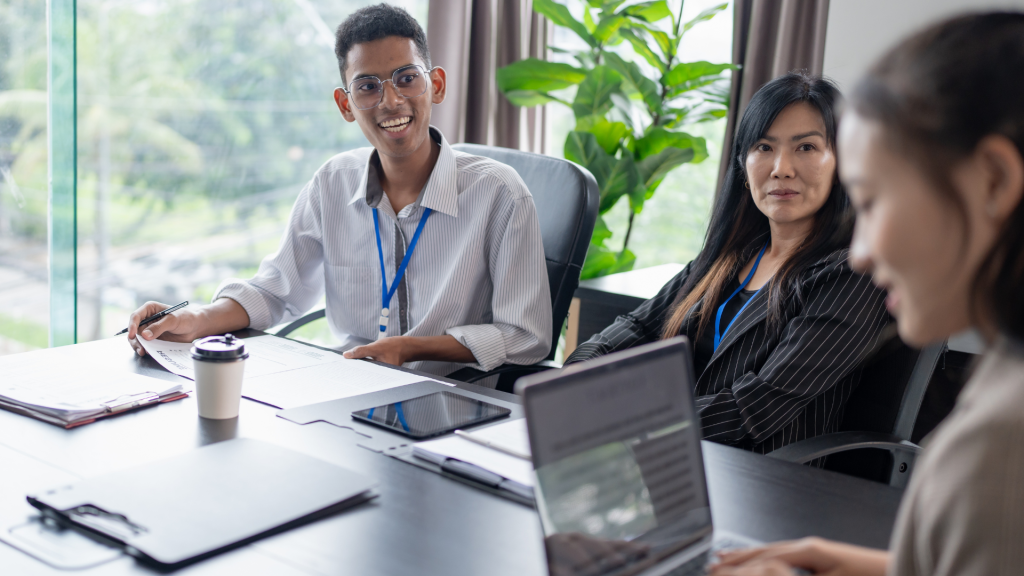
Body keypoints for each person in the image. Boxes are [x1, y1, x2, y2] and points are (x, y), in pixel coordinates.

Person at [712, 12, 1024, 576]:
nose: (860, 254)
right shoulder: (1004, 376)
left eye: (874, 201)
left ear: (994, 182)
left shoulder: (1003, 441)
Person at [124, 3, 551, 378]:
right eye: (368, 86)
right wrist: (195, 318)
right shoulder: (332, 183)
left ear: (435, 84)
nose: (390, 100)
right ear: (346, 104)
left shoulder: (500, 193)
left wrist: (412, 348)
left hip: (453, 401)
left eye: (406, 78)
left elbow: (526, 336)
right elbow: (274, 292)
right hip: (349, 389)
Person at [565, 73, 890, 456]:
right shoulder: (729, 256)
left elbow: (757, 406)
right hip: (673, 453)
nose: (781, 168)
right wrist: (574, 379)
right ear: (743, 164)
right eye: (764, 147)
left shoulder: (851, 274)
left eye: (806, 147)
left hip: (759, 476)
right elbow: (636, 327)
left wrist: (629, 420)